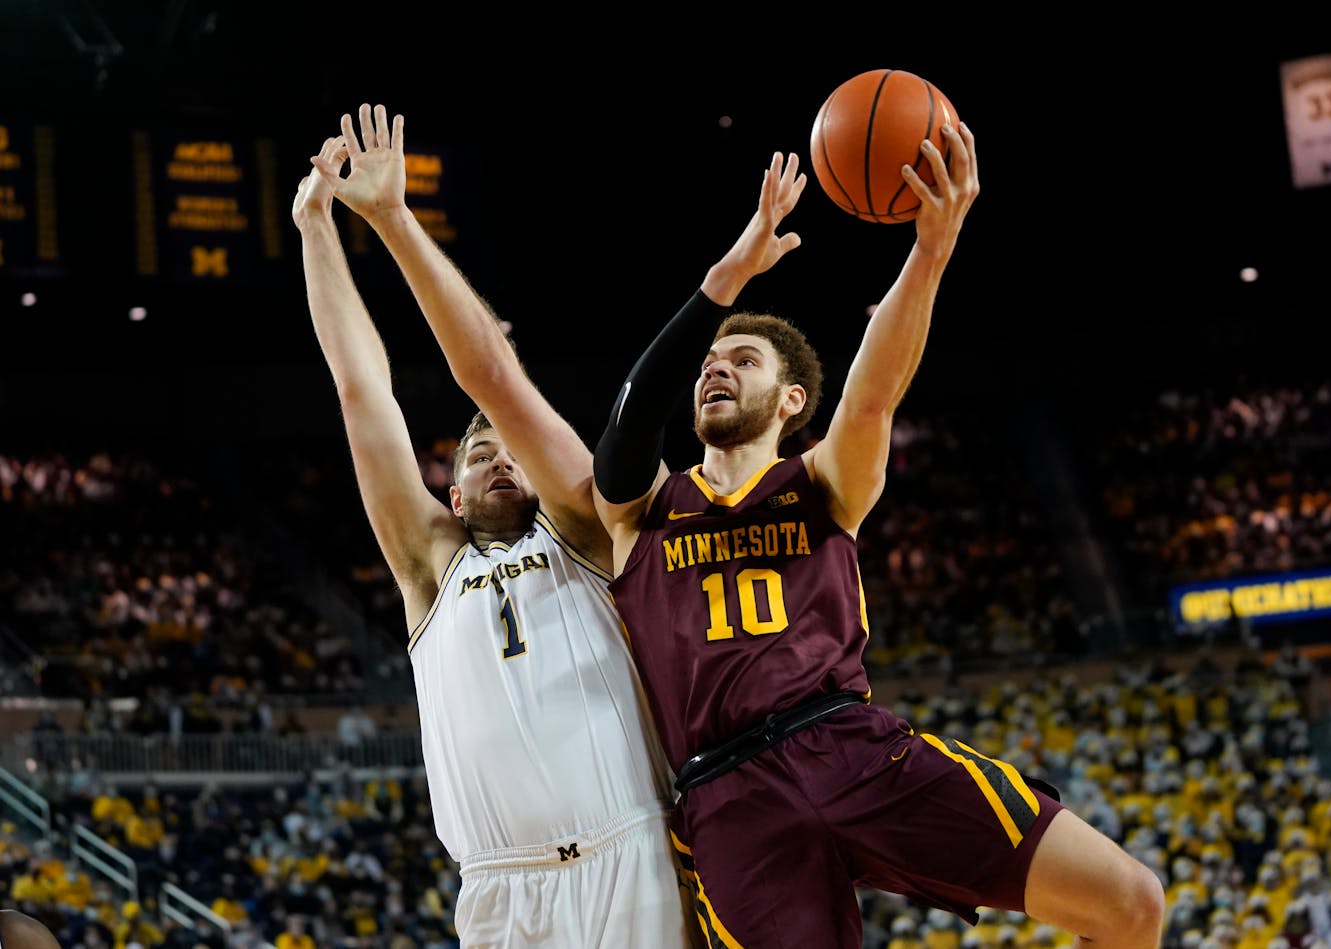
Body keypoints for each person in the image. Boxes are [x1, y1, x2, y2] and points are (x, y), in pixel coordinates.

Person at [591, 125, 1167, 947]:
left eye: (743, 359)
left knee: (1130, 903)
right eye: (708, 361)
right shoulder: (640, 509)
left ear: (792, 401)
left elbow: (872, 394)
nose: (715, 367)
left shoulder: (822, 482)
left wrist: (930, 250)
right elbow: (628, 418)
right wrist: (724, 283)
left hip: (846, 744)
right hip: (726, 798)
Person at [295, 104, 695, 948]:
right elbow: (362, 392)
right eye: (476, 451)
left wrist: (395, 219)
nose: (498, 456)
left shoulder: (587, 528)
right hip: (498, 889)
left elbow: (499, 380)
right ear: (448, 485)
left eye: (507, 445)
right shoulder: (428, 564)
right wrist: (315, 225)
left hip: (635, 852)